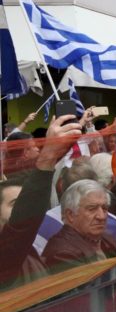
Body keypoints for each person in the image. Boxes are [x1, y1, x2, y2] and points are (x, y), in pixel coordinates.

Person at [0, 114, 84, 287]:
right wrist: (48, 156)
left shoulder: (30, 252)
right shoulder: (6, 255)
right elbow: (22, 225)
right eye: (15, 204)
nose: (23, 208)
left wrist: (57, 151)